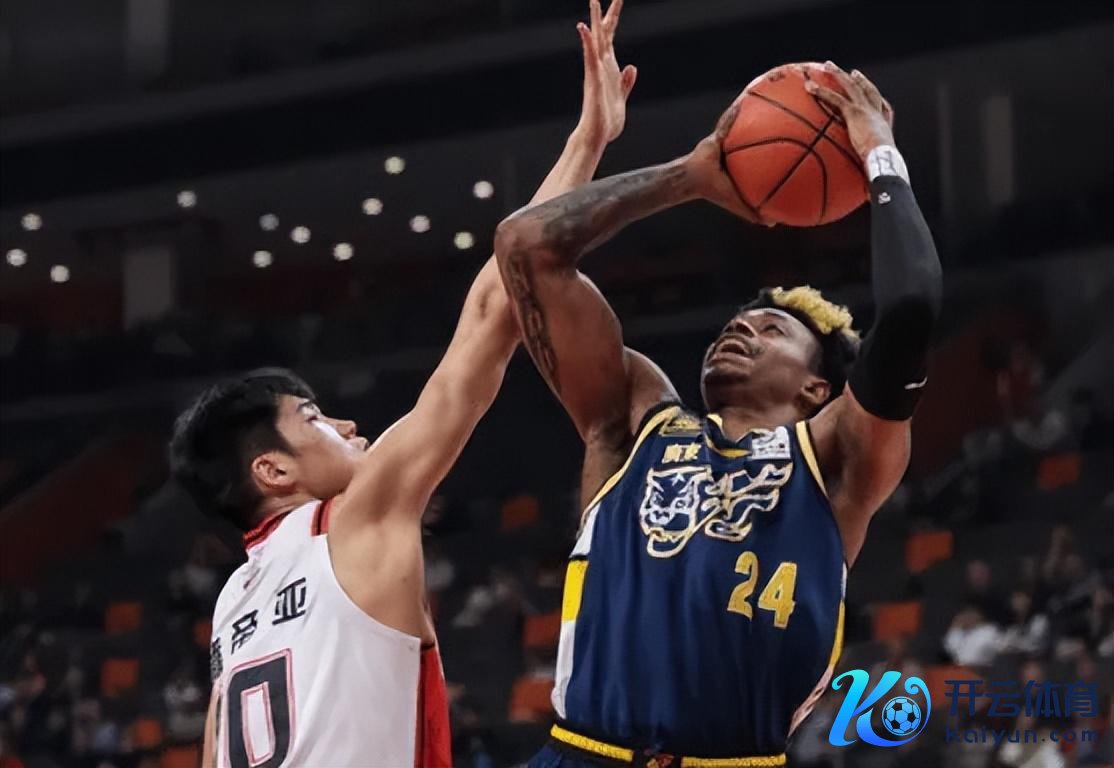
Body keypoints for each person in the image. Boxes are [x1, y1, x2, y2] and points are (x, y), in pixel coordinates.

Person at [169, 2, 638, 764]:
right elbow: (493, 311)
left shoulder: (230, 606)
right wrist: (587, 144)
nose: (348, 427)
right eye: (315, 418)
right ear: (273, 469)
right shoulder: (354, 520)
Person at [494, 61, 942, 764]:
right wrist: (692, 176)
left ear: (816, 389)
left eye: (772, 330)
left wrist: (879, 154)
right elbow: (526, 245)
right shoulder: (632, 419)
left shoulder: (837, 457)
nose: (741, 329)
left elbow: (912, 306)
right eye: (737, 322)